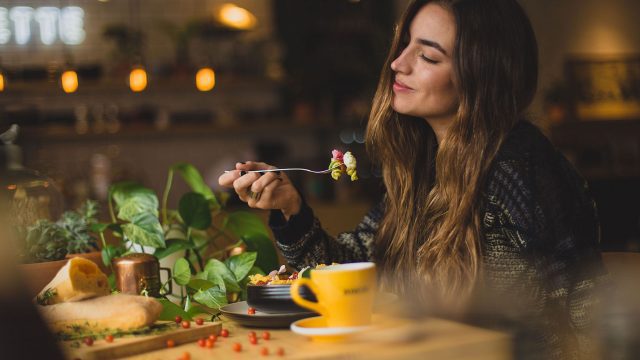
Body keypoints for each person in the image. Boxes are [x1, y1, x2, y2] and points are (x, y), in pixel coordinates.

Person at [219, 0, 607, 358]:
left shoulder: (520, 167)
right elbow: (353, 272)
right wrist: (292, 208)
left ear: (481, 75)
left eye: (426, 56)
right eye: (403, 45)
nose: (397, 64)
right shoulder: (425, 168)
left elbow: (584, 312)